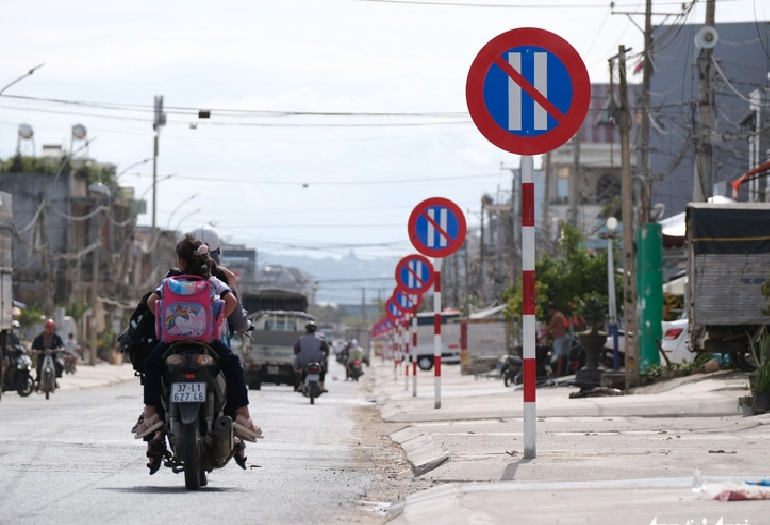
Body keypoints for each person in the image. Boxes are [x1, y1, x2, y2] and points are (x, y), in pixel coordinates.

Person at [133, 236, 262, 467]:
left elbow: (152, 301)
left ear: (180, 261)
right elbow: (230, 301)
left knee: (152, 365)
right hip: (207, 341)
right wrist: (217, 320)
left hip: (173, 342)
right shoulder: (212, 282)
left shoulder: (170, 282)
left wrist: (164, 319)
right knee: (233, 365)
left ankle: (150, 412)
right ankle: (243, 414)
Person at [293, 320, 330, 393]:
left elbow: (296, 350)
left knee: (304, 369)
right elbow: (327, 350)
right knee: (322, 369)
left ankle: (301, 385)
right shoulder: (320, 339)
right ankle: (322, 386)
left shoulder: (301, 339)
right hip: (317, 362)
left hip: (304, 362)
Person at [31, 319, 64, 389]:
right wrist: (35, 350)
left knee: (57, 366)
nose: (49, 329)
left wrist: (61, 349)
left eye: (51, 328)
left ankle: (54, 380)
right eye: (48, 327)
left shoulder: (56, 337)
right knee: (39, 366)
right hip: (42, 356)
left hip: (52, 356)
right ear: (45, 327)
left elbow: (61, 345)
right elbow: (34, 346)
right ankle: (39, 382)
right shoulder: (39, 337)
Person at [543, 303, 569, 377]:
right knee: (561, 355)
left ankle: (559, 371)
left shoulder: (556, 316)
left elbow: (550, 327)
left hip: (560, 338)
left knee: (560, 355)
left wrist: (541, 337)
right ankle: (560, 371)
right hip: (561, 337)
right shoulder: (560, 315)